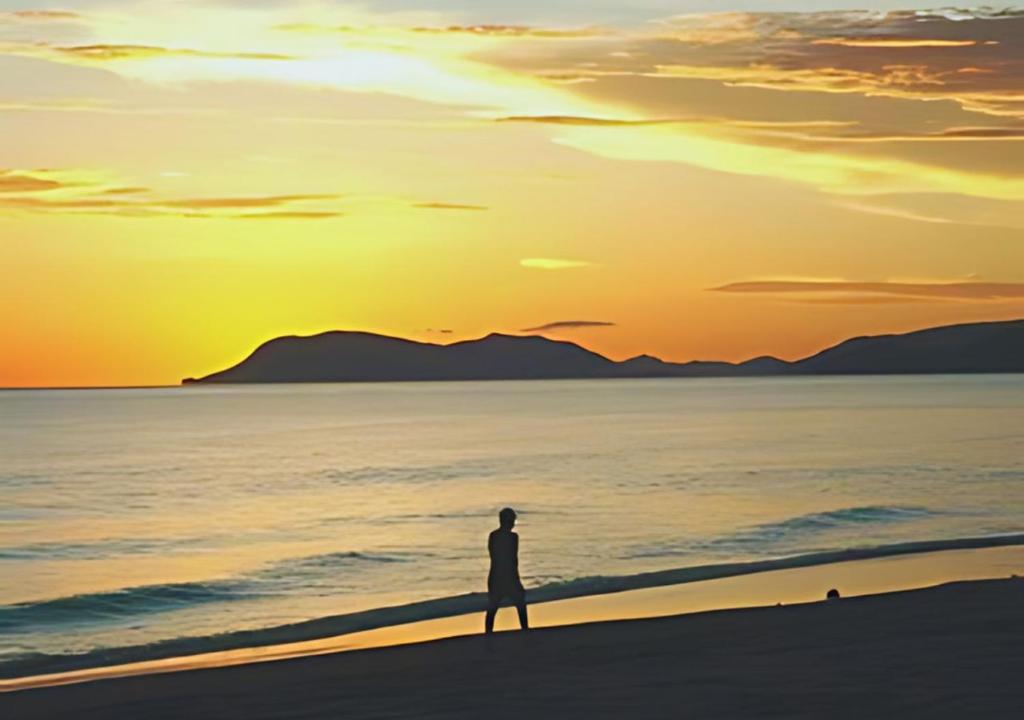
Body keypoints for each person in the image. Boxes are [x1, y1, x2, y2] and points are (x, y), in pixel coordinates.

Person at [485, 507, 529, 634]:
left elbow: (494, 556)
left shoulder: (493, 536)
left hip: (495, 575)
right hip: (508, 576)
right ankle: (525, 631)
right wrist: (517, 580)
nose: (514, 523)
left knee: (492, 608)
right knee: (520, 605)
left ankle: (488, 634)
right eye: (513, 520)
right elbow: (513, 560)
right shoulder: (513, 538)